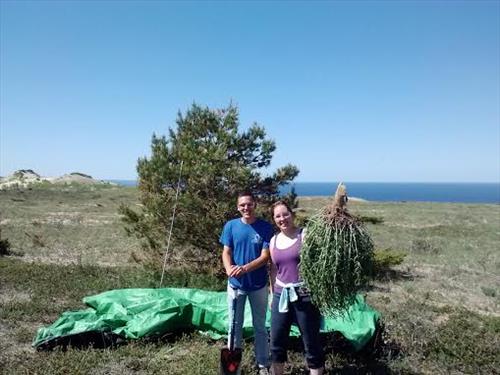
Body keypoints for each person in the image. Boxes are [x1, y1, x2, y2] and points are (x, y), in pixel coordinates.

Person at [220, 191, 274, 374]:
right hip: (235, 286)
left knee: (260, 326)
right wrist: (229, 270)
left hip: (258, 286)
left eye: (249, 204)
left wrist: (244, 269)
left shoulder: (265, 228)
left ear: (255, 205)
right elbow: (226, 252)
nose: (246, 208)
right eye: (242, 205)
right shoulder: (231, 226)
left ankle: (263, 364)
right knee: (234, 325)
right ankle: (233, 366)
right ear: (238, 207)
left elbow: (265, 256)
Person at [269, 201, 324, 375]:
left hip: (304, 294)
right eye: (278, 216)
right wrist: (272, 294)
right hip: (280, 295)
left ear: (292, 214)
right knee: (276, 342)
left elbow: (319, 260)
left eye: (285, 214)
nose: (282, 219)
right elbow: (274, 269)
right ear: (274, 219)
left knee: (311, 342)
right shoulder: (273, 240)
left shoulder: (304, 235)